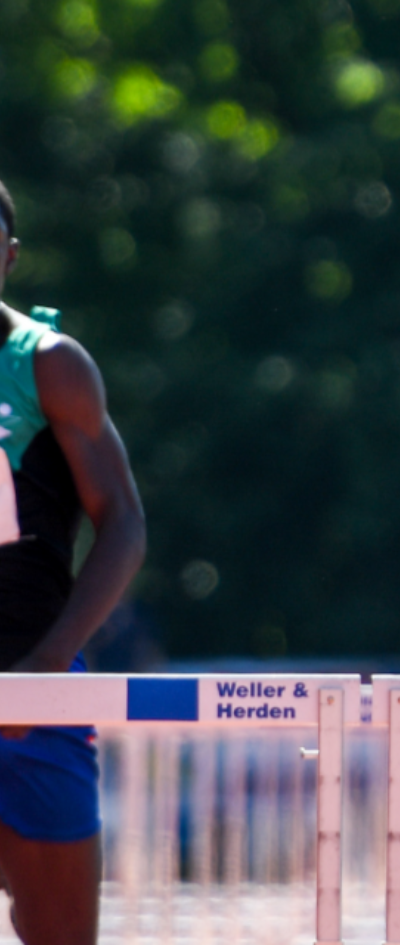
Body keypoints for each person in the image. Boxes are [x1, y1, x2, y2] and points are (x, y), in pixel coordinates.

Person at [0, 177, 147, 945]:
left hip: (32, 686)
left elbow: (123, 521)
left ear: (10, 255)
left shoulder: (48, 362)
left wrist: (48, 663)